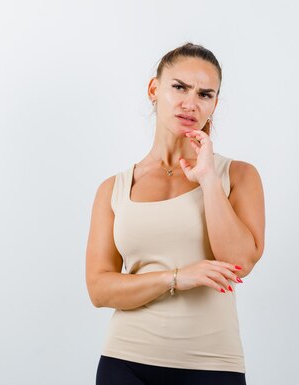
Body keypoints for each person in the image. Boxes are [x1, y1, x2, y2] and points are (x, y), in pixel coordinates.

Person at [85, 42, 265, 385]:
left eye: (205, 94)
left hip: (213, 365)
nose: (190, 103)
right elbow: (99, 289)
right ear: (155, 89)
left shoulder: (238, 176)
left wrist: (209, 179)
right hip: (125, 361)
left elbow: (240, 261)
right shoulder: (114, 188)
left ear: (214, 104)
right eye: (179, 87)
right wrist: (176, 277)